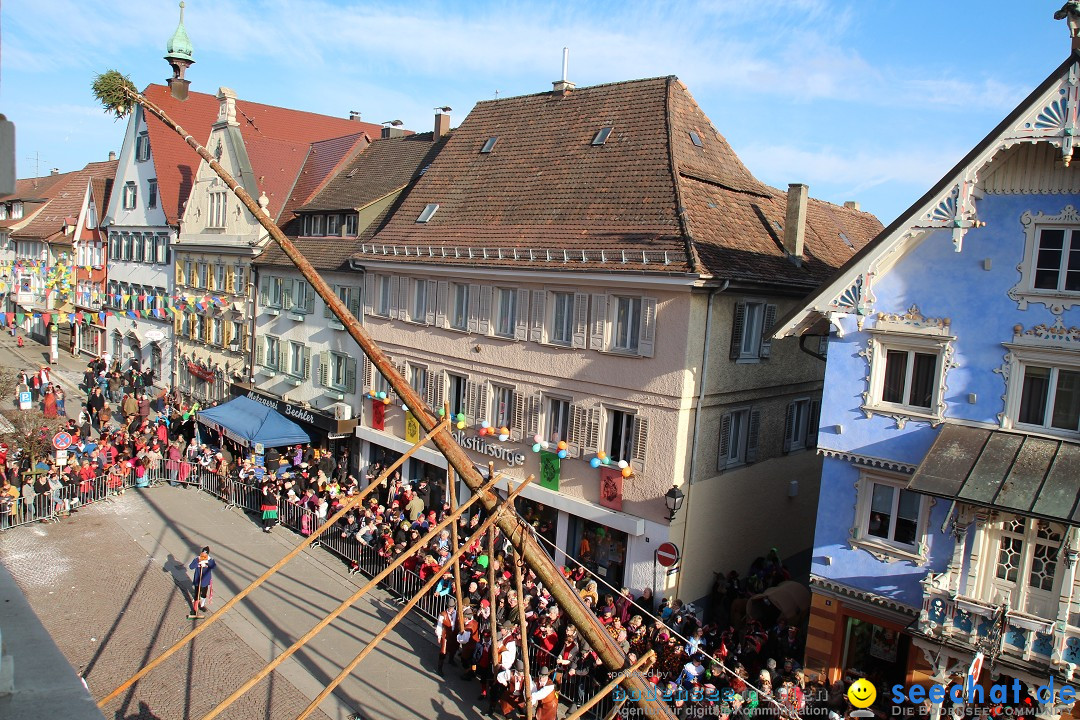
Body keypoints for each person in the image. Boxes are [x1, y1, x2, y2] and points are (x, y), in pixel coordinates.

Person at [188, 546, 216, 618]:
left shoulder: (210, 559)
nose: (203, 556)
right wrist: (198, 563)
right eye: (203, 554)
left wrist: (207, 562)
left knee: (203, 594)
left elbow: (213, 566)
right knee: (197, 594)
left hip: (205, 580)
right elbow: (191, 567)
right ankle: (195, 609)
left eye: (205, 554)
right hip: (198, 579)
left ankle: (202, 605)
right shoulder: (197, 558)